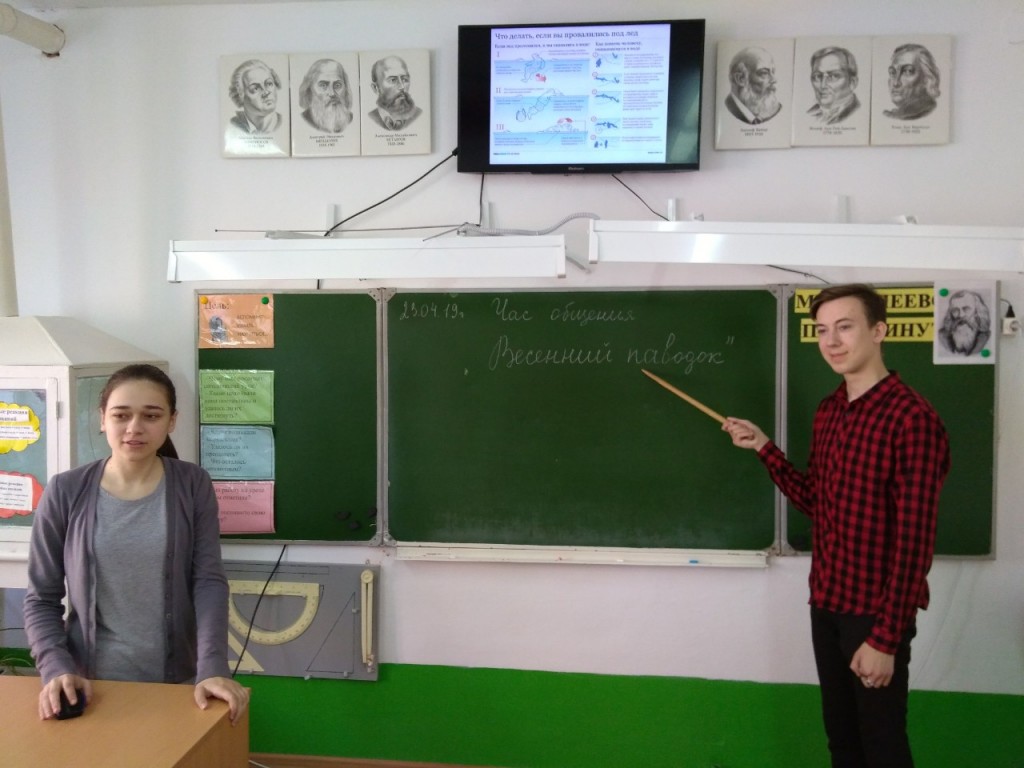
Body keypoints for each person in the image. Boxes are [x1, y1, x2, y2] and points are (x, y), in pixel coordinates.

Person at [722, 284, 950, 768]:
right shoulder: (829, 412)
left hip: (875, 613)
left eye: (845, 327)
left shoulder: (912, 418)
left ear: (879, 331)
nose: (831, 342)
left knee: (882, 747)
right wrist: (764, 448)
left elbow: (915, 542)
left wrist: (885, 639)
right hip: (826, 602)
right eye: (823, 331)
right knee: (842, 744)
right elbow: (818, 502)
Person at [24, 364, 249, 724]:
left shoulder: (192, 484)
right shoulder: (65, 490)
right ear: (102, 418)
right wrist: (55, 667)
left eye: (151, 415)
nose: (134, 428)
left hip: (180, 684)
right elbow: (41, 598)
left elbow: (208, 581)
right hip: (89, 688)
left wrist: (213, 668)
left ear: (171, 421)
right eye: (121, 415)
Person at [724, 46, 782, 125]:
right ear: (740, 79)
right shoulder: (728, 109)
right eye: (764, 73)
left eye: (773, 72)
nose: (774, 80)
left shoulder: (775, 109)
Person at [883, 44, 940, 121]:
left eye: (908, 71)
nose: (895, 83)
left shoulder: (932, 114)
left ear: (927, 79)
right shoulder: (891, 116)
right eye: (893, 72)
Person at [366, 55, 422, 131]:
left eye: (404, 79)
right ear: (376, 88)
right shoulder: (370, 118)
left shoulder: (419, 115)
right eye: (393, 80)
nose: (402, 86)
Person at [227, 58, 284, 134]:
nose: (266, 92)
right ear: (240, 94)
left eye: (269, 84)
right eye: (255, 88)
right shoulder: (233, 126)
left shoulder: (283, 124)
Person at [807, 46, 861, 125]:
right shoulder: (810, 114)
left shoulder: (857, 114)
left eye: (834, 76)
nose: (823, 85)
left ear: (852, 83)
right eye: (818, 76)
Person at [298, 58, 353, 134]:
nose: (332, 93)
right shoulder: (303, 120)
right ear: (309, 88)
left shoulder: (352, 120)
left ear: (345, 87)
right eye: (323, 85)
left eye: (337, 85)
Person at [937, 289, 991, 356]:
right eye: (955, 310)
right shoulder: (941, 337)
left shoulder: (987, 338)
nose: (961, 315)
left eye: (966, 309)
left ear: (977, 312)